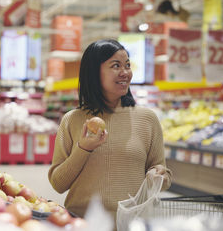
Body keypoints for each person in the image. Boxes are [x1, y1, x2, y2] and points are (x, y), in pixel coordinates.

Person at [48, 39, 172, 219]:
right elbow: (58, 184)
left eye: (127, 65)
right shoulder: (72, 120)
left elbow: (162, 176)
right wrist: (83, 149)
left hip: (131, 223)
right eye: (116, 66)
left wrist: (160, 175)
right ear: (94, 72)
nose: (125, 73)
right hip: (83, 223)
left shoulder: (147, 119)